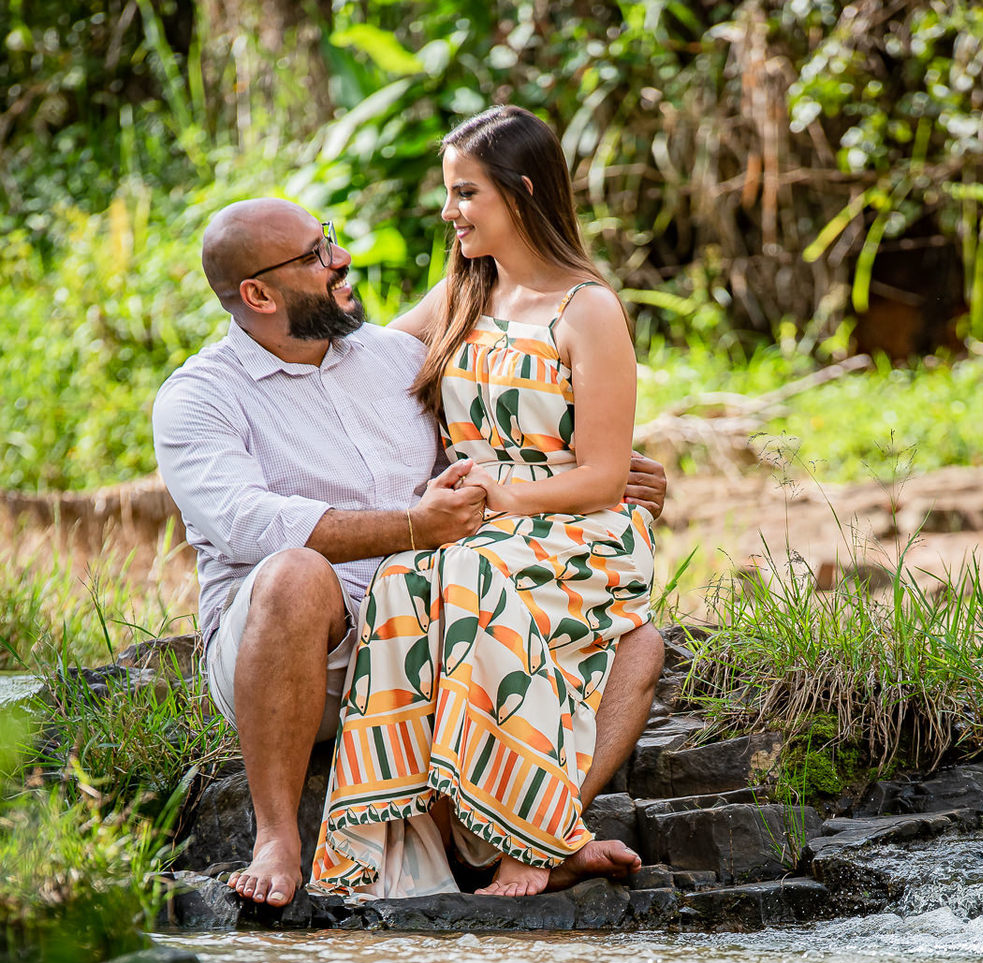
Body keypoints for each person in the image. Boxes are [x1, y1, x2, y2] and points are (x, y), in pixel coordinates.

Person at [152, 196, 667, 908]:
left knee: (637, 641)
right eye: (314, 255)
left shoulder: (394, 358)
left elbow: (495, 419)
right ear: (259, 294)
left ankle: (539, 831)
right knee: (296, 573)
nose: (341, 259)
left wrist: (605, 472)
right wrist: (411, 527)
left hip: (425, 626)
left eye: (328, 237)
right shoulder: (199, 397)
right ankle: (277, 837)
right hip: (300, 649)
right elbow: (247, 523)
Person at [309, 106, 656, 900]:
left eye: (465, 193)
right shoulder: (460, 295)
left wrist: (504, 495)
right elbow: (359, 366)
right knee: (401, 580)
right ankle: (400, 844)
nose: (448, 212)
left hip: (580, 532)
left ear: (522, 191)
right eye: (448, 193)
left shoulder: (587, 309)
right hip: (479, 528)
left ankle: (530, 840)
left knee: (466, 578)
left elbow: (604, 477)